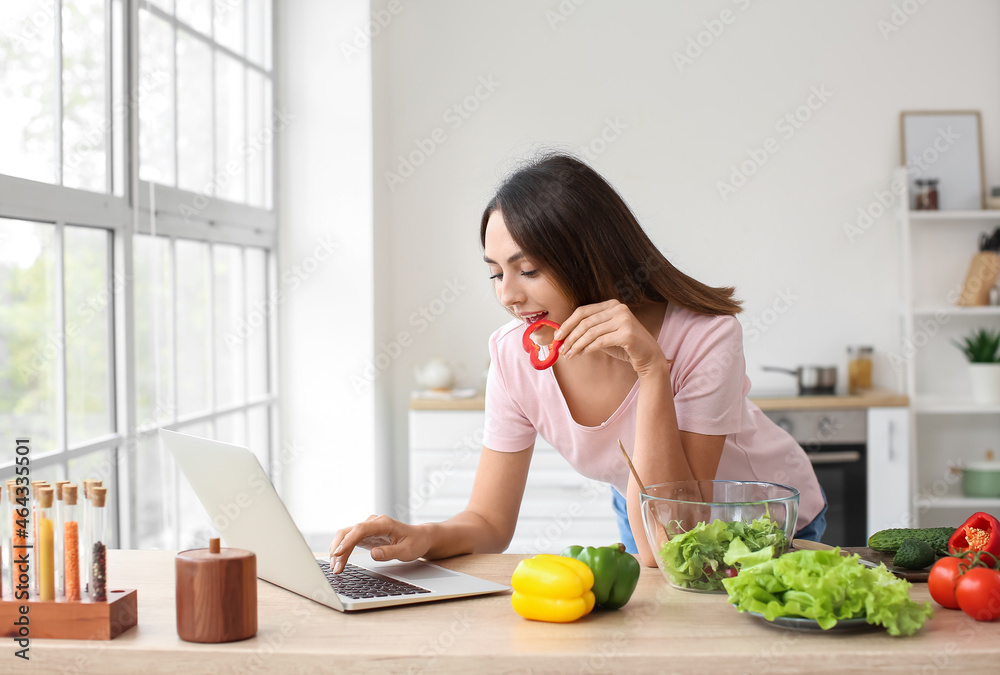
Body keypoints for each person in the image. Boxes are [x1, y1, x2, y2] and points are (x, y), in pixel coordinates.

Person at [330, 153, 826, 572]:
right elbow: (489, 522)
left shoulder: (706, 336)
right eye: (495, 273)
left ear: (592, 256)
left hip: (761, 517)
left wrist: (652, 370)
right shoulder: (511, 356)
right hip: (645, 511)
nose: (508, 294)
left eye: (528, 269)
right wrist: (422, 537)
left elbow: (671, 537)